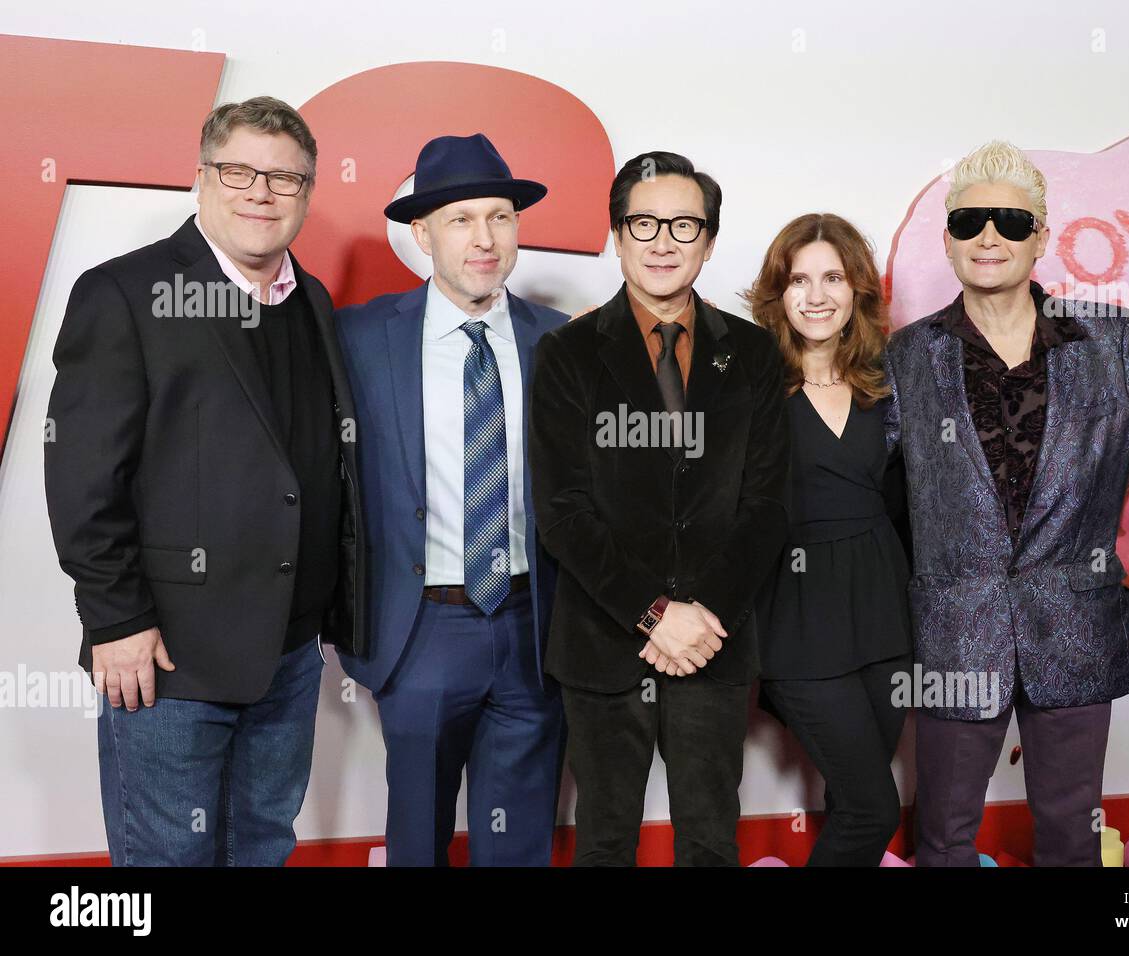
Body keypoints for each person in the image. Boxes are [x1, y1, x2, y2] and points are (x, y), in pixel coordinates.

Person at [884, 141, 1129, 866]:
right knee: (944, 836)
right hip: (956, 629)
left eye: (1009, 222)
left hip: (1075, 626)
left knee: (1068, 835)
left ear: (1041, 237)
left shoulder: (1106, 342)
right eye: (969, 221)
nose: (988, 236)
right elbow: (851, 474)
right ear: (949, 239)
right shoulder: (905, 358)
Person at [44, 96, 365, 866]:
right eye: (240, 171)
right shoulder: (123, 293)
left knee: (258, 848)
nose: (261, 191)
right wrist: (115, 620)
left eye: (285, 179)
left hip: (288, 655)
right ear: (200, 179)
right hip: (167, 660)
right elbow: (84, 476)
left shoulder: (310, 299)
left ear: (307, 195)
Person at [530, 151, 789, 865]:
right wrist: (653, 614)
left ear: (708, 241)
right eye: (643, 223)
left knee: (710, 839)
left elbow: (767, 505)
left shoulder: (754, 354)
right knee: (604, 841)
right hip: (603, 641)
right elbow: (564, 512)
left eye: (683, 224)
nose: (663, 240)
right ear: (617, 236)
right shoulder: (568, 353)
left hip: (713, 638)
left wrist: (701, 616)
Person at [334, 134, 567, 866]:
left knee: (518, 845)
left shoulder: (556, 343)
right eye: (462, 219)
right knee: (418, 842)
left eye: (500, 217)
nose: (485, 239)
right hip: (421, 631)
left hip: (533, 630)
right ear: (422, 234)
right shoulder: (361, 338)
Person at [748, 213, 913, 866]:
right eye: (799, 280)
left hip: (885, 615)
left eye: (833, 278)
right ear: (778, 294)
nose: (816, 296)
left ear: (857, 290)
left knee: (854, 806)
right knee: (876, 809)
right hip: (798, 624)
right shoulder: (749, 387)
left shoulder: (887, 385)